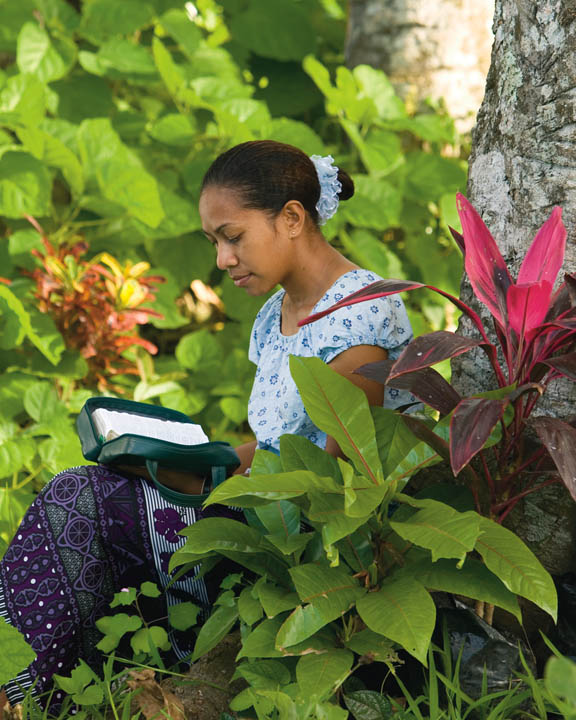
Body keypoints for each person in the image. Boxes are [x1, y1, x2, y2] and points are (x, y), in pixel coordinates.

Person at [0, 140, 414, 710]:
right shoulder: (279, 312)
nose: (222, 259)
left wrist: (204, 484)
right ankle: (45, 687)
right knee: (88, 488)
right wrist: (186, 464)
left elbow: (330, 483)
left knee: (83, 501)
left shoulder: (361, 318)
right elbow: (275, 448)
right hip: (262, 503)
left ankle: (27, 689)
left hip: (305, 550)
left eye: (233, 236)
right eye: (214, 241)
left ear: (292, 218)